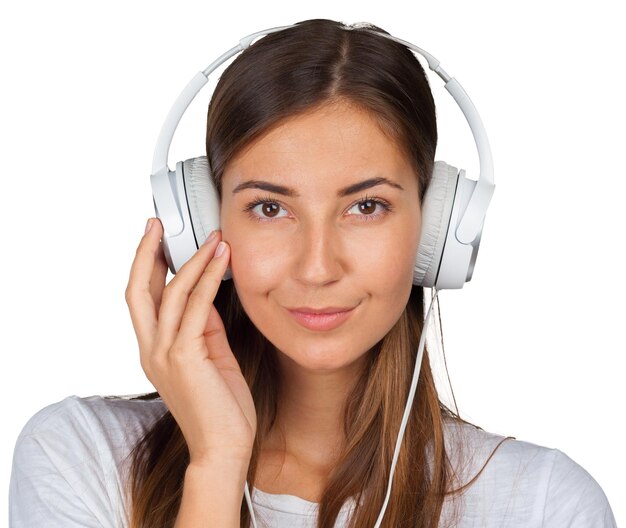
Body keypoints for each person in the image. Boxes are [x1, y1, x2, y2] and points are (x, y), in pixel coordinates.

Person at [8, 18, 617, 528]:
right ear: (198, 224)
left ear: (437, 229)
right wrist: (216, 462)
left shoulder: (542, 505)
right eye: (270, 209)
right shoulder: (80, 455)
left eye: (365, 206)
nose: (318, 266)